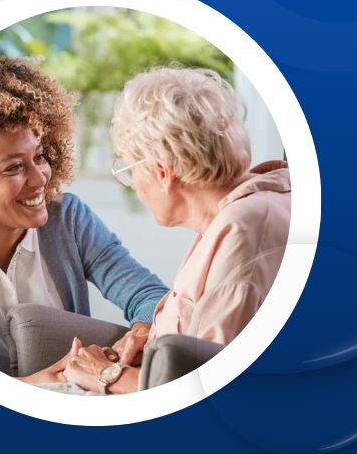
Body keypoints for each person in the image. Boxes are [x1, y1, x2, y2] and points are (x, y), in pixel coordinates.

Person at [0, 55, 168, 376]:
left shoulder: (68, 219)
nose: (40, 177)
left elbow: (149, 295)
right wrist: (33, 385)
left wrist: (139, 335)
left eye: (39, 156)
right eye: (14, 167)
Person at [59, 66, 291, 394]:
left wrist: (105, 375)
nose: (134, 185)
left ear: (162, 172)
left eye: (128, 168)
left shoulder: (242, 233)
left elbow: (207, 387)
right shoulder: (247, 207)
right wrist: (153, 337)